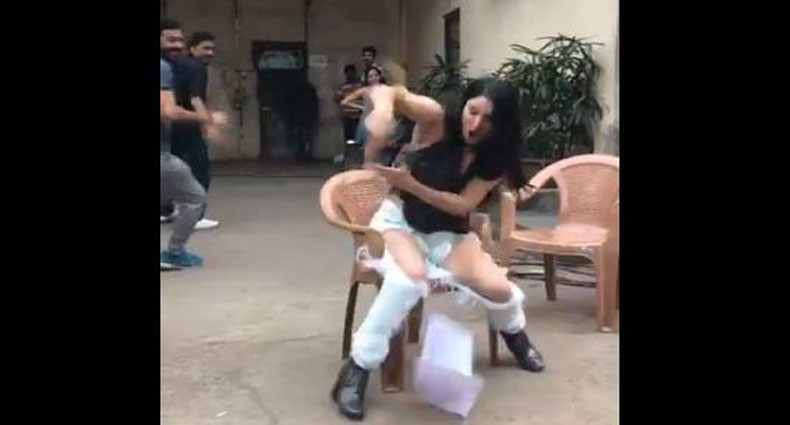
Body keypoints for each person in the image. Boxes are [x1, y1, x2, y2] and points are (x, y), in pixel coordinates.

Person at [330, 79, 545, 420]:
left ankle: (515, 336)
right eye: (473, 111)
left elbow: (462, 205)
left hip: (447, 232)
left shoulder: (495, 157)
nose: (476, 124)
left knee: (500, 289)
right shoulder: (435, 119)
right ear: (464, 104)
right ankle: (357, 368)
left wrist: (411, 184)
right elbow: (396, 93)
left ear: (502, 124)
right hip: (401, 222)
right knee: (407, 281)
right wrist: (383, 108)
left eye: (488, 119)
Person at [159, 20, 222, 269]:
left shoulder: (176, 67)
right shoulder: (166, 68)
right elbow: (168, 111)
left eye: (179, 40)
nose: (176, 45)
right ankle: (174, 253)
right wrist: (207, 119)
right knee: (195, 196)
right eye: (170, 40)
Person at [169, 31, 224, 230]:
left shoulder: (178, 65)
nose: (210, 53)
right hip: (189, 126)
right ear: (192, 48)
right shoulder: (197, 68)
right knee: (200, 172)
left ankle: (168, 210)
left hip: (173, 124)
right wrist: (208, 122)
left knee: (173, 169)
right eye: (205, 48)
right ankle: (195, 217)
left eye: (212, 49)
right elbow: (195, 98)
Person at [340, 65, 386, 147]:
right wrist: (361, 107)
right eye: (370, 76)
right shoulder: (365, 90)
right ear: (367, 79)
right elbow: (345, 102)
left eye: (376, 75)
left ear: (380, 76)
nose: (374, 78)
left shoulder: (386, 89)